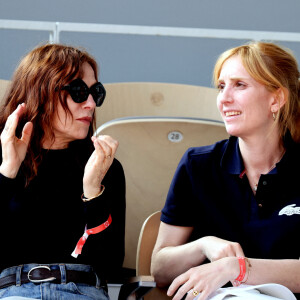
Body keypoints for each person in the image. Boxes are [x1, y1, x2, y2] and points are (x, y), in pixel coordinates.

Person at [151, 41, 300, 300]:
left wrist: (237, 268)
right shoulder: (197, 165)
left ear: (276, 99)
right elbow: (160, 269)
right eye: (222, 86)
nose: (224, 98)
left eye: (239, 85)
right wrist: (204, 245)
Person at [0, 43, 126, 299]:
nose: (91, 103)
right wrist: (7, 176)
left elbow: (110, 266)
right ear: (41, 92)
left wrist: (93, 193)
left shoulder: (103, 167)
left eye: (96, 92)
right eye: (79, 91)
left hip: (83, 292)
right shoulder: (3, 157)